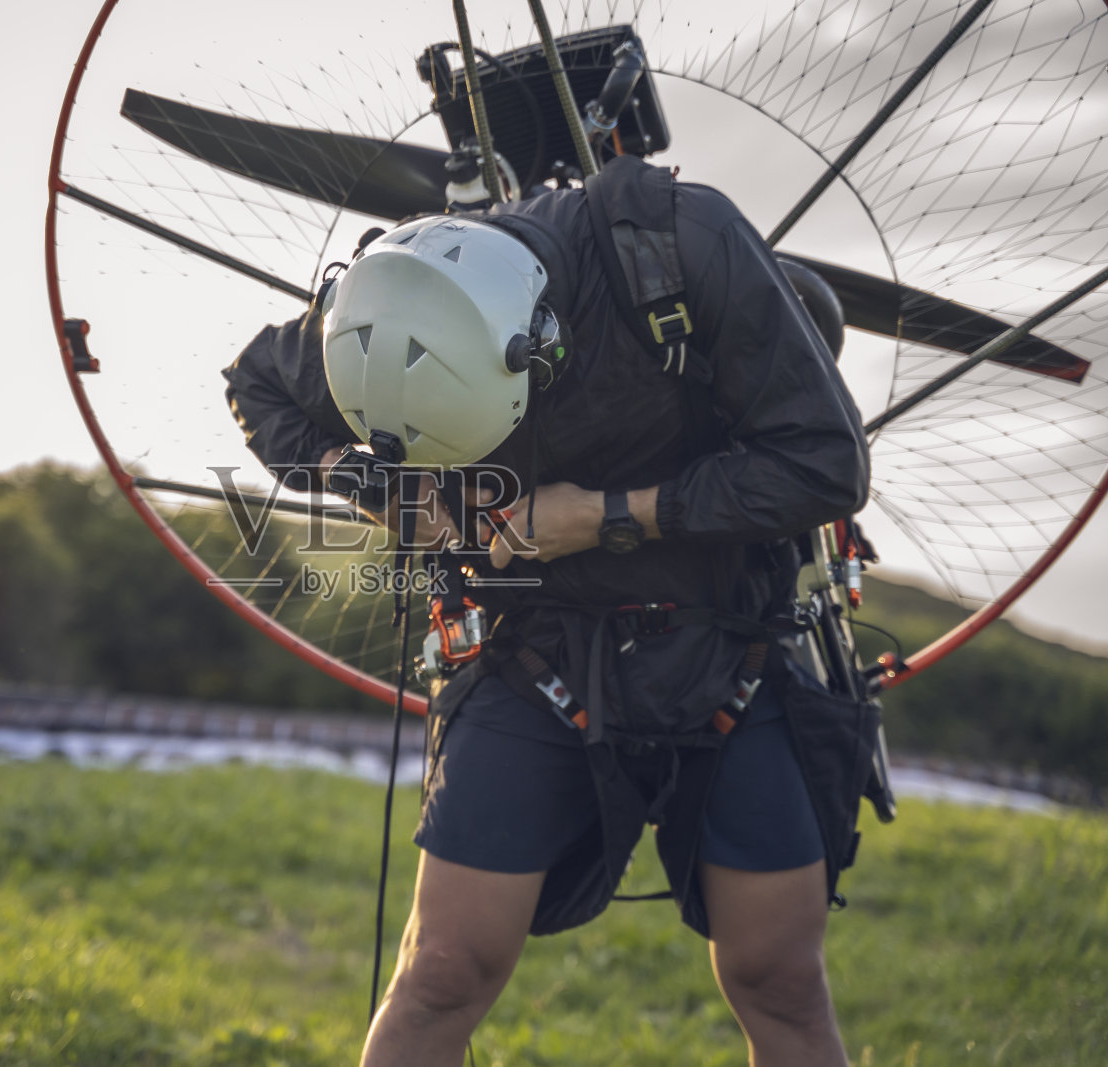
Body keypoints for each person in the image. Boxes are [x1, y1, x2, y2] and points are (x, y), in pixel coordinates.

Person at [221, 153, 872, 1067]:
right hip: (530, 658)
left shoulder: (679, 251)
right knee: (441, 972)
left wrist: (605, 517)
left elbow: (825, 466)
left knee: (780, 979)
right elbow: (257, 381)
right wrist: (376, 488)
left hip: (730, 649)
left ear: (538, 351)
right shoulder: (388, 300)